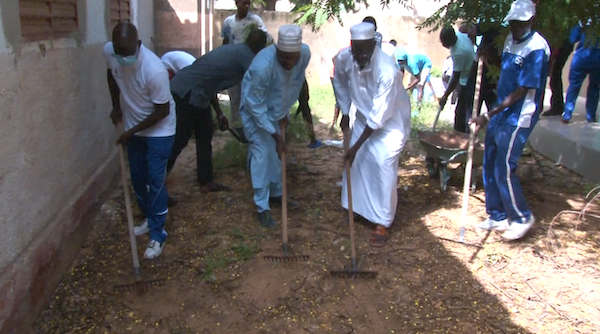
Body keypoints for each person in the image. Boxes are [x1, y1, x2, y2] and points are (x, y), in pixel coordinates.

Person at [470, 0, 549, 240]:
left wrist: (488, 114)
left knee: (505, 165)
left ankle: (522, 217)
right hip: (501, 110)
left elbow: (522, 89)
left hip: (519, 115)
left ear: (531, 21)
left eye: (520, 23)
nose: (515, 27)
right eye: (513, 23)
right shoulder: (509, 41)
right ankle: (497, 214)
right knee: (491, 159)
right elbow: (506, 71)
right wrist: (487, 56)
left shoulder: (537, 47)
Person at [333, 22, 411, 247]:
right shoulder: (345, 58)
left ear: (373, 46)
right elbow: (340, 82)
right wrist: (345, 112)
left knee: (381, 163)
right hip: (364, 120)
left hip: (391, 123)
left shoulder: (387, 70)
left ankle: (382, 221)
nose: (359, 56)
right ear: (351, 45)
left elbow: (379, 117)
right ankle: (356, 207)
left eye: (364, 51)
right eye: (356, 50)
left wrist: (354, 148)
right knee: (358, 164)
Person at [104, 22, 176, 259]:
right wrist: (116, 105)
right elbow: (111, 74)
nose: (123, 58)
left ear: (138, 45)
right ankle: (149, 217)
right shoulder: (111, 53)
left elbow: (162, 111)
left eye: (127, 53)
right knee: (137, 178)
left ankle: (158, 234)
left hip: (160, 130)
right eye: (119, 53)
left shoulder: (154, 70)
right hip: (135, 129)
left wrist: (131, 131)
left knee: (156, 182)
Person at [167, 28, 267, 192]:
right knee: (180, 139)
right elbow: (258, 84)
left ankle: (206, 181)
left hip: (199, 93)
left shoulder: (234, 50)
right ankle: (156, 182)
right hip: (187, 93)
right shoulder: (246, 56)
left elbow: (210, 81)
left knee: (205, 133)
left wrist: (220, 113)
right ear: (261, 47)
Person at [241, 25, 310, 227]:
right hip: (255, 111)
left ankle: (278, 194)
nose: (289, 62)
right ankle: (262, 206)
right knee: (262, 153)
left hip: (277, 111)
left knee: (277, 154)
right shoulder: (262, 67)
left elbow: (294, 83)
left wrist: (284, 112)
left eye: (293, 57)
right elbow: (254, 103)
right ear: (276, 50)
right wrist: (275, 134)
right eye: (284, 58)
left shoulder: (304, 54)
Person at [221, 0, 269, 131]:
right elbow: (225, 43)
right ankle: (236, 126)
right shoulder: (228, 22)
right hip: (233, 67)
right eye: (244, 3)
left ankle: (250, 126)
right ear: (237, 3)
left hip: (249, 66)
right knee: (235, 98)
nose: (247, 6)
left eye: (249, 3)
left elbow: (264, 40)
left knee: (250, 97)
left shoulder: (255, 21)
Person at [438, 26, 477, 133]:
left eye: (444, 42)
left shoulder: (459, 52)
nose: (443, 45)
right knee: (460, 113)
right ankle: (459, 135)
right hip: (467, 76)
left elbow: (455, 76)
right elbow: (464, 28)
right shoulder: (460, 35)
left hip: (469, 81)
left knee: (463, 116)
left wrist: (445, 96)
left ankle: (463, 139)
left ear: (449, 40)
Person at [561, 22, 600, 124]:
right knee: (594, 88)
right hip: (597, 59)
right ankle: (590, 116)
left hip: (581, 58)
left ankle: (567, 114)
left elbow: (573, 38)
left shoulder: (583, 21)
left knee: (573, 87)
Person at [541, 37, 574, 116]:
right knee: (554, 75)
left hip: (560, 45)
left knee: (551, 75)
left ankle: (555, 106)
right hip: (562, 44)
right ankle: (556, 106)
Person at [295, 80, 323, 148]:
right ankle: (313, 140)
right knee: (308, 120)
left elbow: (304, 97)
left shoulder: (300, 80)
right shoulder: (301, 79)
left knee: (308, 120)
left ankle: (313, 140)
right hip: (304, 103)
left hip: (304, 104)